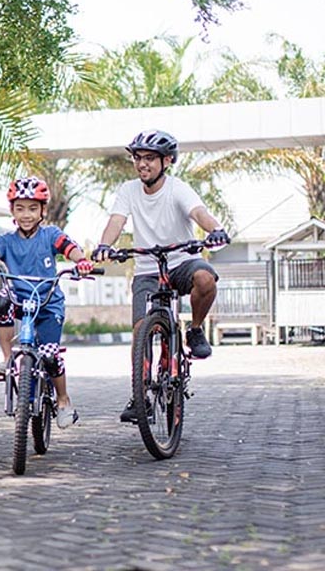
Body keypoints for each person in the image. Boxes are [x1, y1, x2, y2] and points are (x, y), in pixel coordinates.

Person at [91, 129, 230, 423]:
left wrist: (215, 230)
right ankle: (139, 394)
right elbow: (117, 220)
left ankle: (193, 329)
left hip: (181, 263)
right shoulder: (128, 190)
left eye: (150, 158)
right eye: (138, 158)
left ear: (167, 160)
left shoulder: (177, 188)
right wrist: (105, 245)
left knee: (206, 279)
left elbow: (199, 212)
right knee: (141, 329)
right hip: (147, 269)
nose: (143, 164)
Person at [0, 177, 94, 429]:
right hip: (19, 301)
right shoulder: (6, 240)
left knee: (49, 355)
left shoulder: (50, 235)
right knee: (1, 300)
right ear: (12, 211)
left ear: (43, 210)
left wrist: (81, 261)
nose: (26, 214)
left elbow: (70, 248)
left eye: (33, 208)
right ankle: (7, 359)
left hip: (47, 304)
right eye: (20, 208)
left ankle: (64, 401)